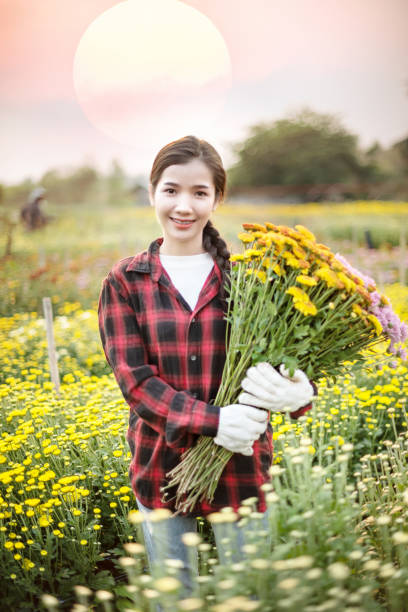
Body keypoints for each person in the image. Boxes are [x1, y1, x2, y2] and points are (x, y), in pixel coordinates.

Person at [97, 135, 316, 594]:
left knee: (249, 595)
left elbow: (278, 368)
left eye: (200, 193)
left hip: (241, 467)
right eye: (172, 190)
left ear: (217, 198)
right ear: (153, 191)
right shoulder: (126, 281)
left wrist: (301, 394)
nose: (184, 205)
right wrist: (214, 421)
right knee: (176, 600)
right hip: (161, 466)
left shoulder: (252, 283)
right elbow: (136, 384)